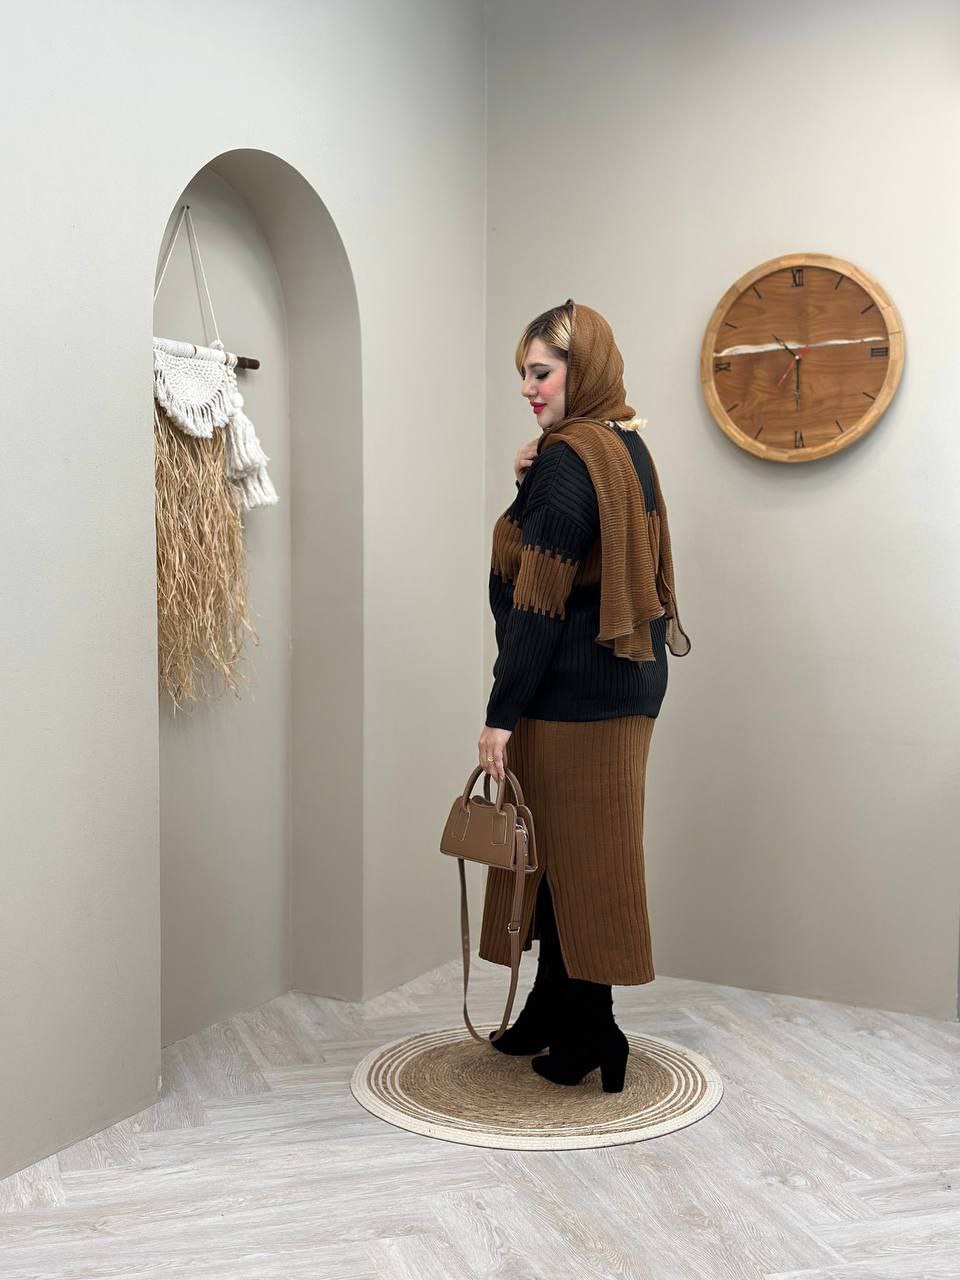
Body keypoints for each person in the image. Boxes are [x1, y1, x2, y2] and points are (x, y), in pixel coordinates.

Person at [476, 299, 690, 1094]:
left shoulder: (570, 460)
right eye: (524, 374)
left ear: (582, 369)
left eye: (542, 371)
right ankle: (549, 1006)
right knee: (563, 858)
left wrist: (500, 716)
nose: (528, 388)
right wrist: (524, 488)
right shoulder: (624, 446)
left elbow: (535, 601)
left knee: (579, 864)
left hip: (572, 694)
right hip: (623, 683)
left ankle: (594, 1028)